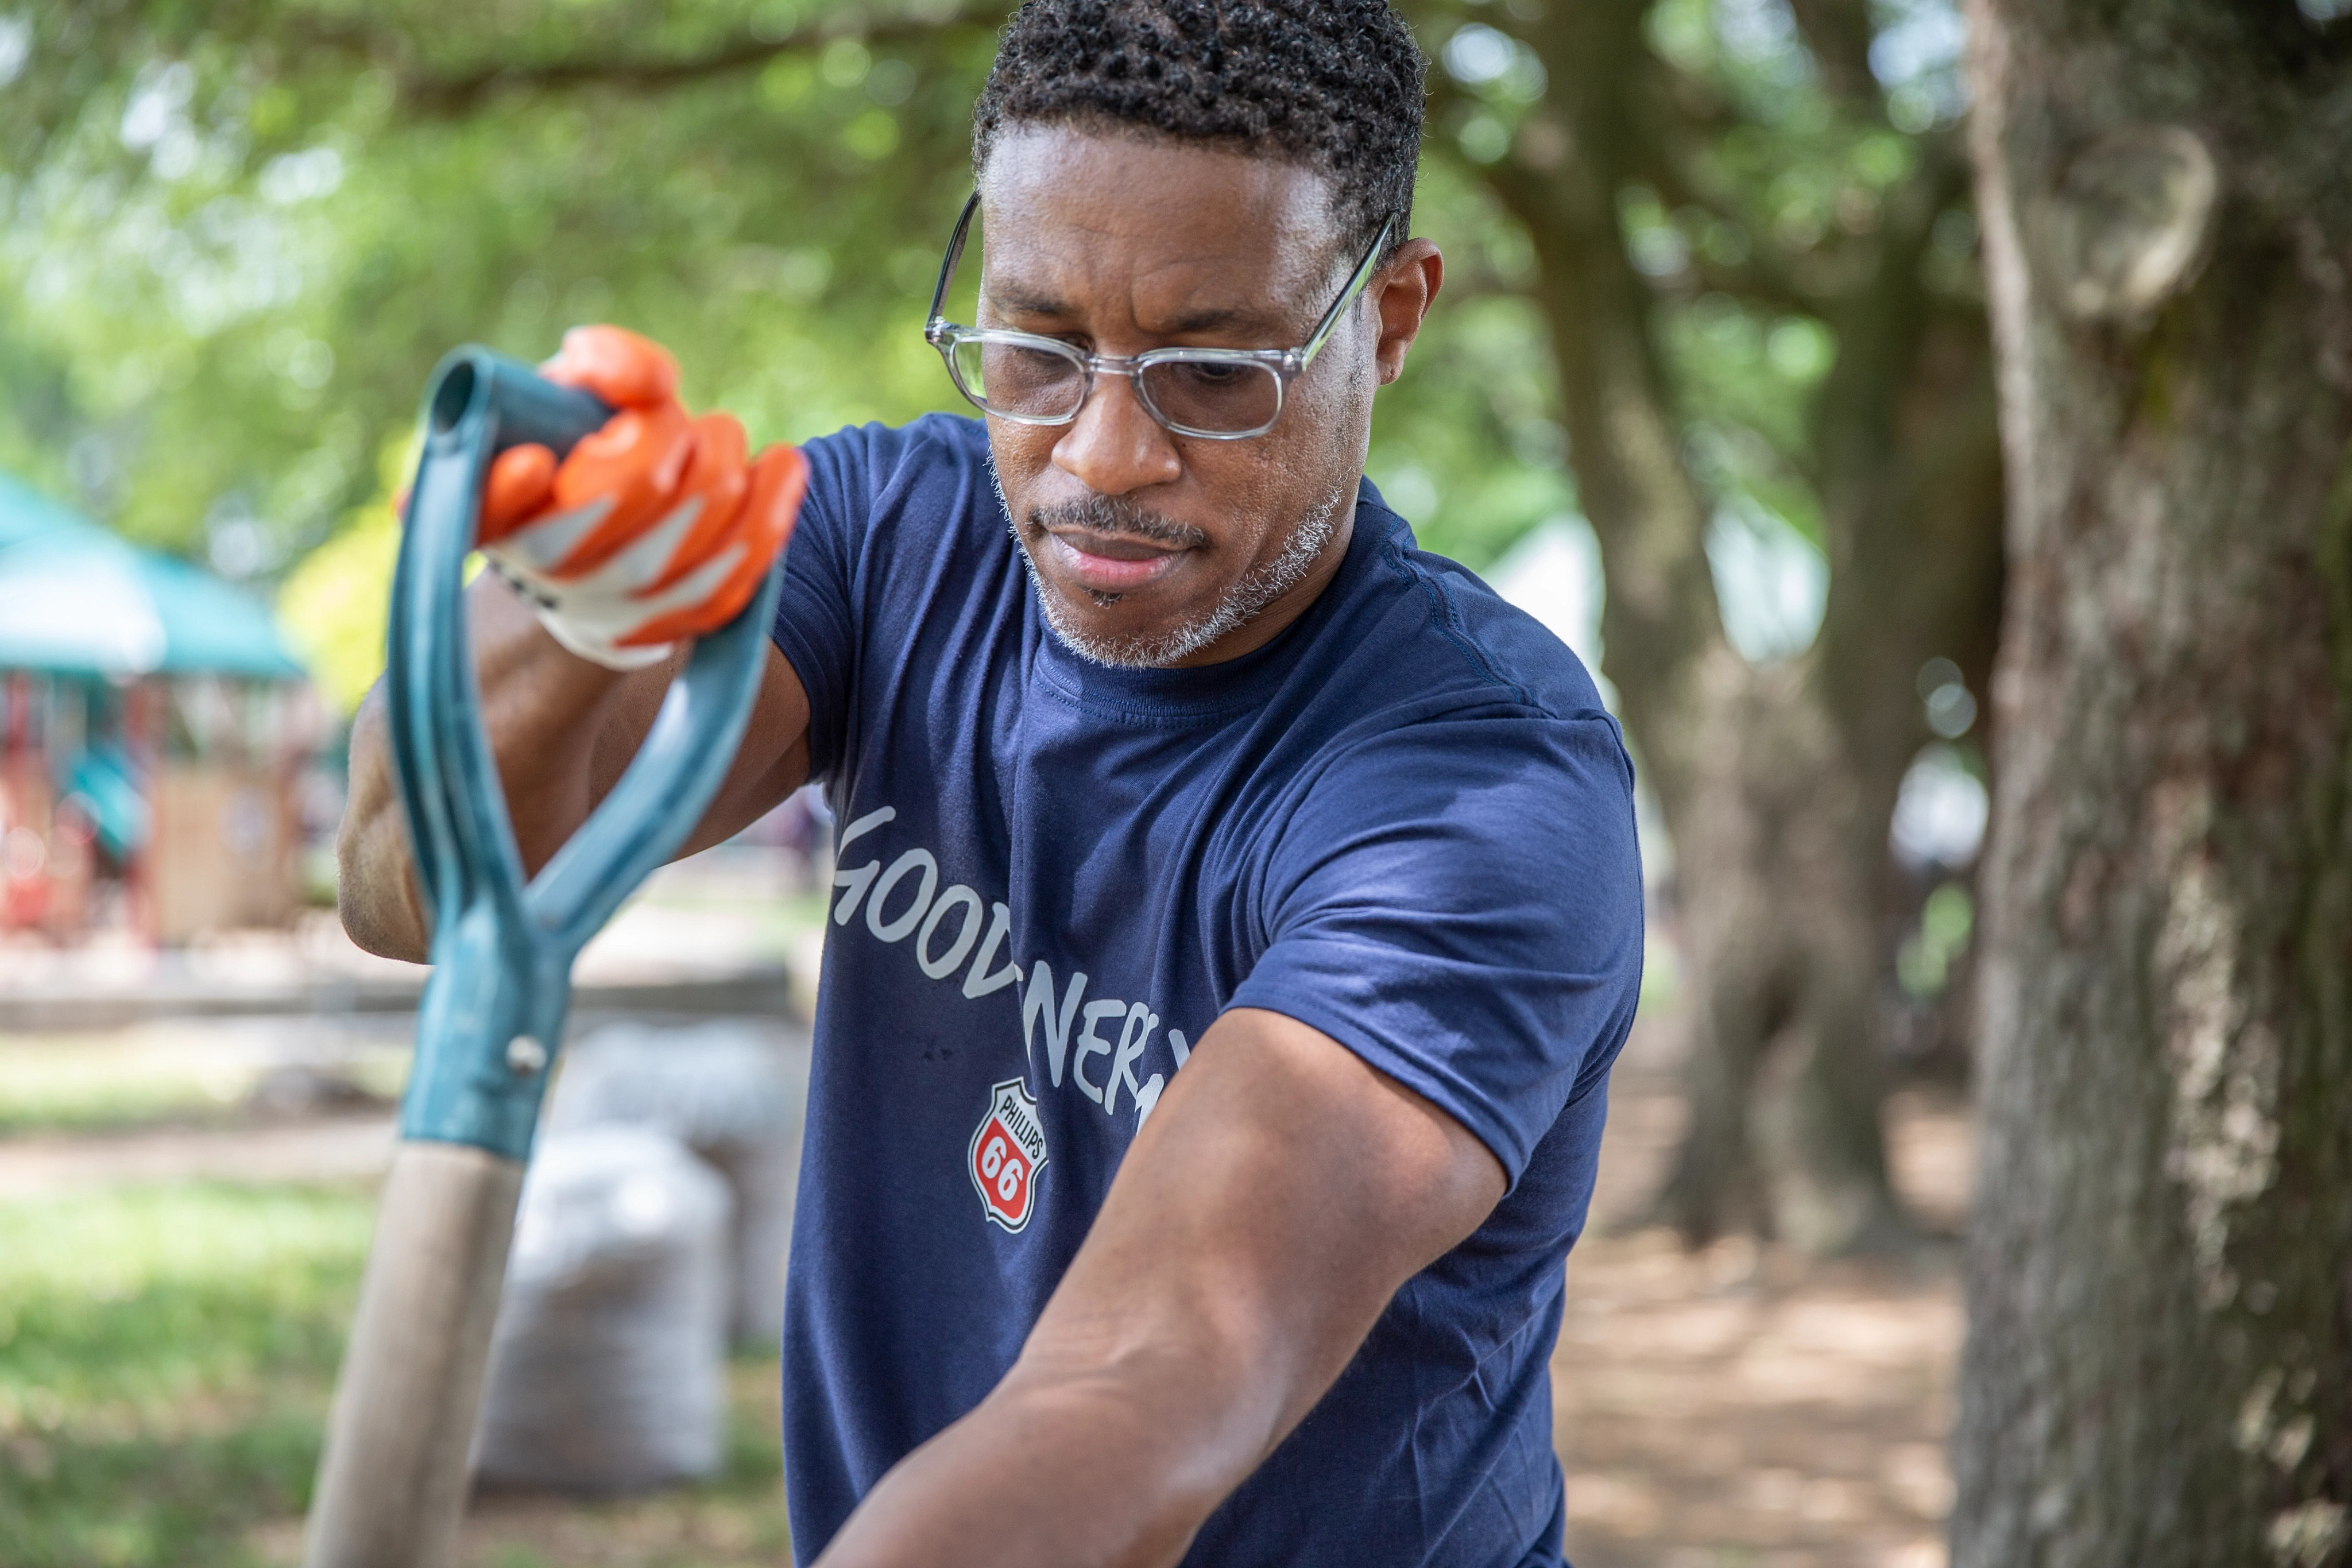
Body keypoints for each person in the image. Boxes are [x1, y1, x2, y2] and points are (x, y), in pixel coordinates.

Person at [336, 0, 1645, 1561]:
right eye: (1036, 347)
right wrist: (588, 608)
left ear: (1394, 316)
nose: (1099, 456)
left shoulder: (1480, 788)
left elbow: (1146, 1380)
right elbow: (408, 878)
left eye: (1214, 373)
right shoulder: (895, 542)